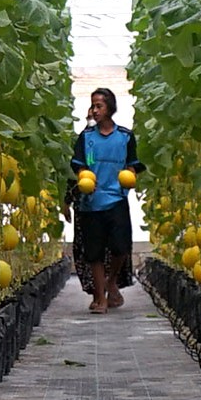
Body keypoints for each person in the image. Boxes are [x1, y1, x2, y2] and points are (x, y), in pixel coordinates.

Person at [67, 88, 141, 312]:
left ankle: (111, 282)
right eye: (93, 106)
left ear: (110, 107)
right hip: (91, 203)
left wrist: (130, 177)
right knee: (94, 253)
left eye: (99, 106)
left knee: (120, 247)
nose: (95, 110)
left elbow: (132, 165)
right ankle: (100, 298)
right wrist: (84, 177)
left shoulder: (125, 136)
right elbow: (79, 165)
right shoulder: (86, 137)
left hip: (117, 199)